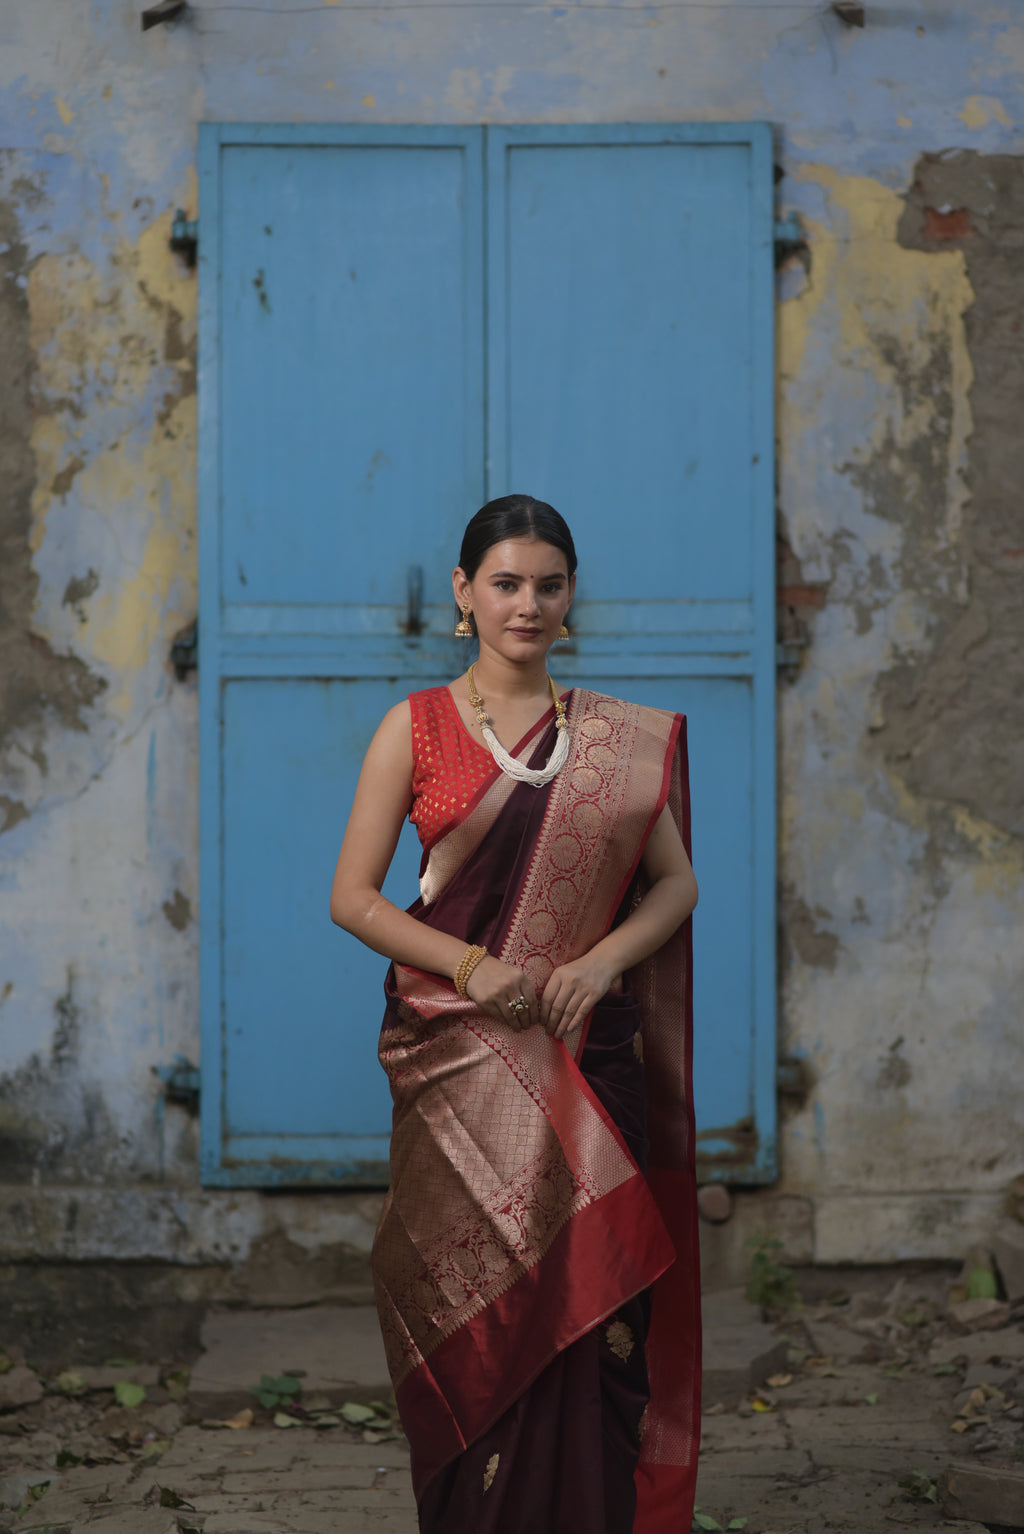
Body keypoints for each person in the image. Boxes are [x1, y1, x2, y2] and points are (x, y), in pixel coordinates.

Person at [330, 494, 701, 1534]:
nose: (526, 604)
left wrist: (599, 961)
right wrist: (472, 964)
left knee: (597, 1310)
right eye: (504, 583)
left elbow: (675, 884)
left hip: (589, 1053)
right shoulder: (416, 729)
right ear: (463, 593)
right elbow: (352, 896)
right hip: (459, 1055)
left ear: (570, 596)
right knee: (464, 1307)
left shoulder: (612, 741)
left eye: (547, 584)